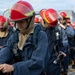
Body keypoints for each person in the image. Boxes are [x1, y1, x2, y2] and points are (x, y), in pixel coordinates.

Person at [0, 1, 49, 75]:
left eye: (21, 21)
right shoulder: (14, 37)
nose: (19, 25)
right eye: (17, 22)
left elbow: (38, 62)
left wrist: (14, 68)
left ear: (31, 19)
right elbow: (6, 51)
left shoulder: (41, 36)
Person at [39, 8, 65, 75]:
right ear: (44, 20)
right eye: (49, 24)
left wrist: (62, 51)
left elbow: (59, 43)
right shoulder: (37, 30)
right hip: (40, 62)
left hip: (53, 62)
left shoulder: (55, 30)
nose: (51, 27)